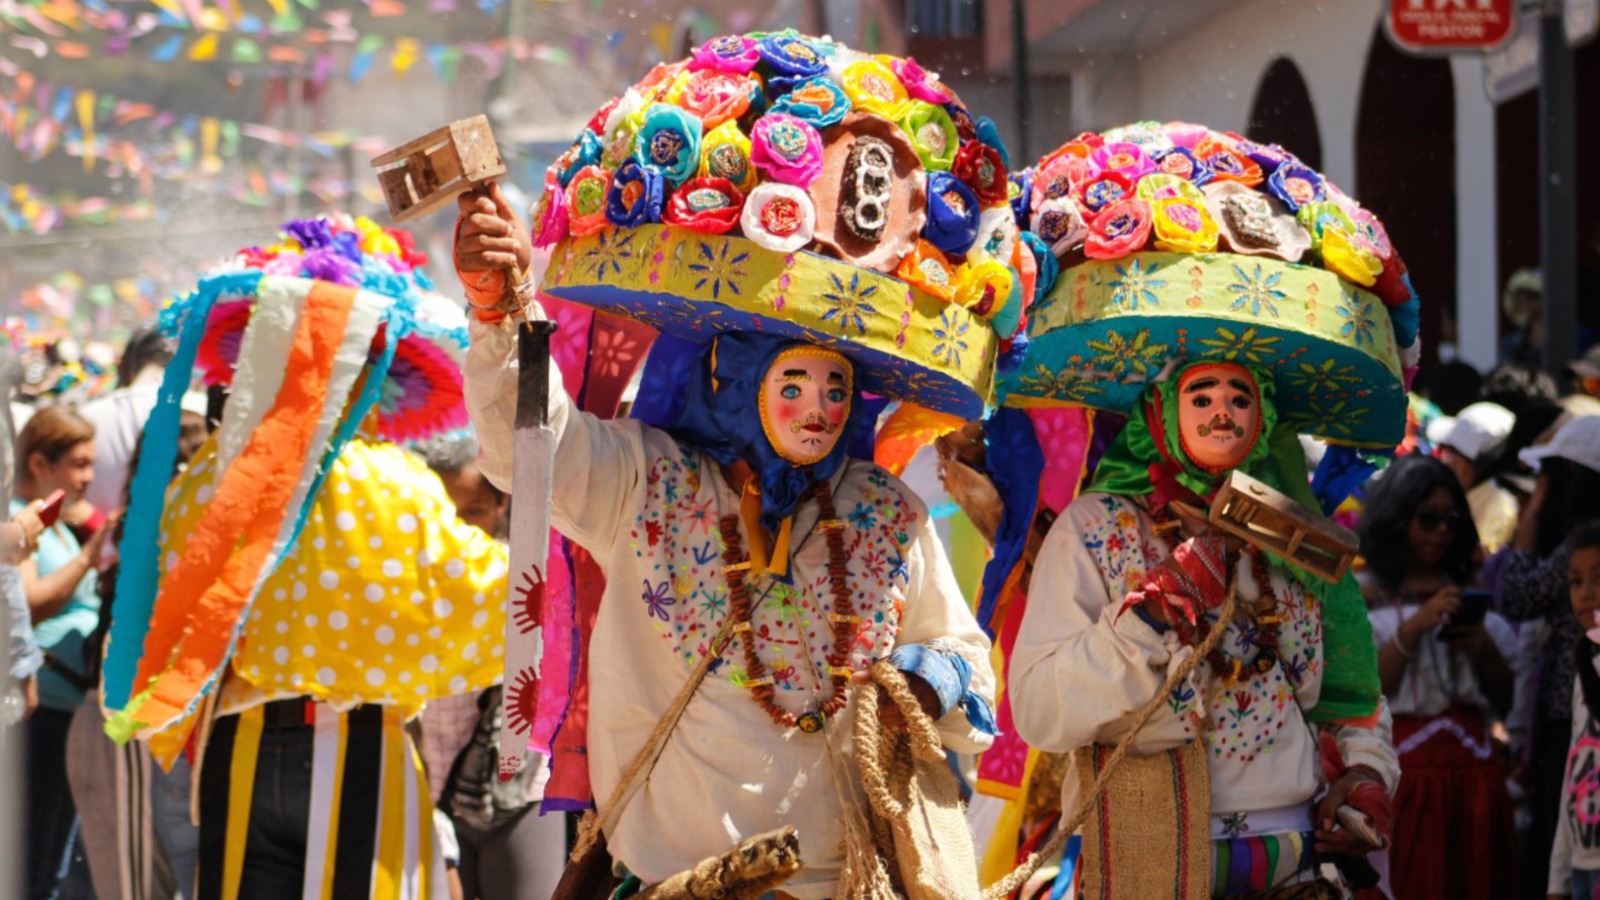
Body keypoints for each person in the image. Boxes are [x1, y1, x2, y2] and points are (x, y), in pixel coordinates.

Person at [454, 32, 1006, 896]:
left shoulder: (884, 514)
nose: (821, 408)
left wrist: (931, 679)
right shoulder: (650, 481)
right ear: (736, 378)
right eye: (796, 382)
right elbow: (531, 452)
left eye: (837, 386)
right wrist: (500, 313)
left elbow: (965, 654)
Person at [1001, 122, 1410, 898]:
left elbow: (1352, 699)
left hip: (1293, 861)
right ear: (1160, 411)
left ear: (1263, 418)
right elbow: (1041, 713)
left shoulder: (1300, 538)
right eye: (1202, 395)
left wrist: (1363, 774)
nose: (1223, 413)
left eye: (1239, 397)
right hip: (1146, 849)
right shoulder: (1097, 530)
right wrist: (1149, 621)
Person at [100, 214, 508, 900]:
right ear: (369, 363)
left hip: (238, 747)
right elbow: (480, 598)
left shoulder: (211, 476)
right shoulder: (396, 482)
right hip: (357, 745)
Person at [1360, 453, 1519, 897]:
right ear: (1396, 518)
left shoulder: (1470, 593)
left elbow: (1506, 696)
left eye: (1451, 520)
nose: (1442, 531)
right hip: (1406, 779)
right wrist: (1415, 627)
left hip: (1474, 776)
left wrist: (1482, 645)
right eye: (1427, 518)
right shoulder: (1362, 595)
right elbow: (1371, 691)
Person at [420, 435, 565, 900]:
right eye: (443, 515)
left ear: (502, 505)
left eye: (473, 512)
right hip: (432, 793)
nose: (460, 529)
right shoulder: (406, 579)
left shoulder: (528, 571)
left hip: (521, 791)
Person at [1500, 415, 1600, 898]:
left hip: (1574, 725)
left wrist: (1533, 515)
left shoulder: (1581, 545)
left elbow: (1515, 596)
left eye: (1549, 478)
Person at [14, 405, 110, 900]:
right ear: (39, 463)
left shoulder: (49, 524)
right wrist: (90, 557)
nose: (89, 477)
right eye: (78, 463)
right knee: (32, 859)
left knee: (49, 857)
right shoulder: (18, 522)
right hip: (40, 713)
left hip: (61, 710)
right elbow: (28, 602)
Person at [1548, 520, 1600, 898]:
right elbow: (1575, 771)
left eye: (1598, 578)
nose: (1586, 594)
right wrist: (1557, 878)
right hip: (1583, 865)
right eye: (1576, 582)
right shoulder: (1585, 664)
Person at [1427, 401, 1520, 553]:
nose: (1443, 458)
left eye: (1450, 450)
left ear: (1466, 463)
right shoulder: (1468, 499)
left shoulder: (1498, 510)